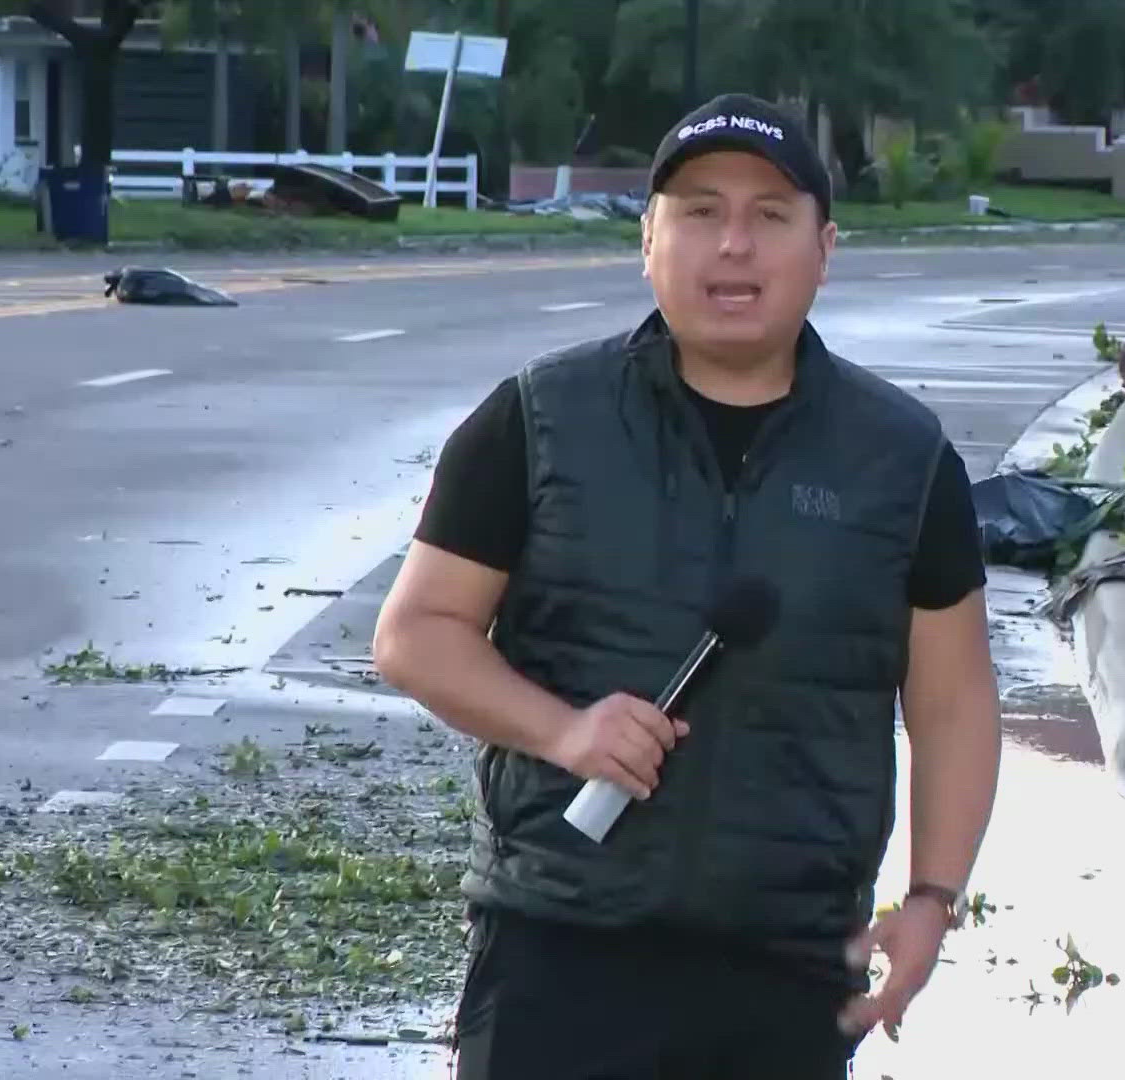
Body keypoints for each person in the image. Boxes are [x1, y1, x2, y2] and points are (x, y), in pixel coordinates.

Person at [372, 92, 1001, 1079]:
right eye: (700, 211)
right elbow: (416, 635)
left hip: (788, 967)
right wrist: (563, 730)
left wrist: (932, 897)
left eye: (770, 215)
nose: (734, 245)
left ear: (824, 249)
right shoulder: (535, 420)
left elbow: (954, 699)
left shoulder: (904, 458)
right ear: (649, 240)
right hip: (556, 950)